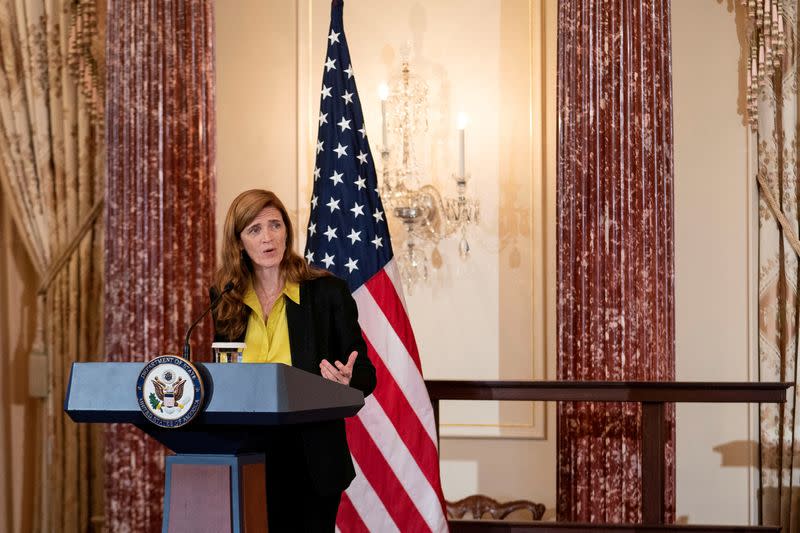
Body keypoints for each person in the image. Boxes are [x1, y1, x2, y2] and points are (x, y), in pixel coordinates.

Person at [211, 189, 376, 532]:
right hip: (248, 455)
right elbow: (223, 375)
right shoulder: (226, 299)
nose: (268, 237)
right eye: (254, 230)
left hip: (311, 457)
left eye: (275, 225)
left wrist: (348, 381)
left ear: (287, 230)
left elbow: (365, 373)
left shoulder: (326, 293)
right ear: (239, 242)